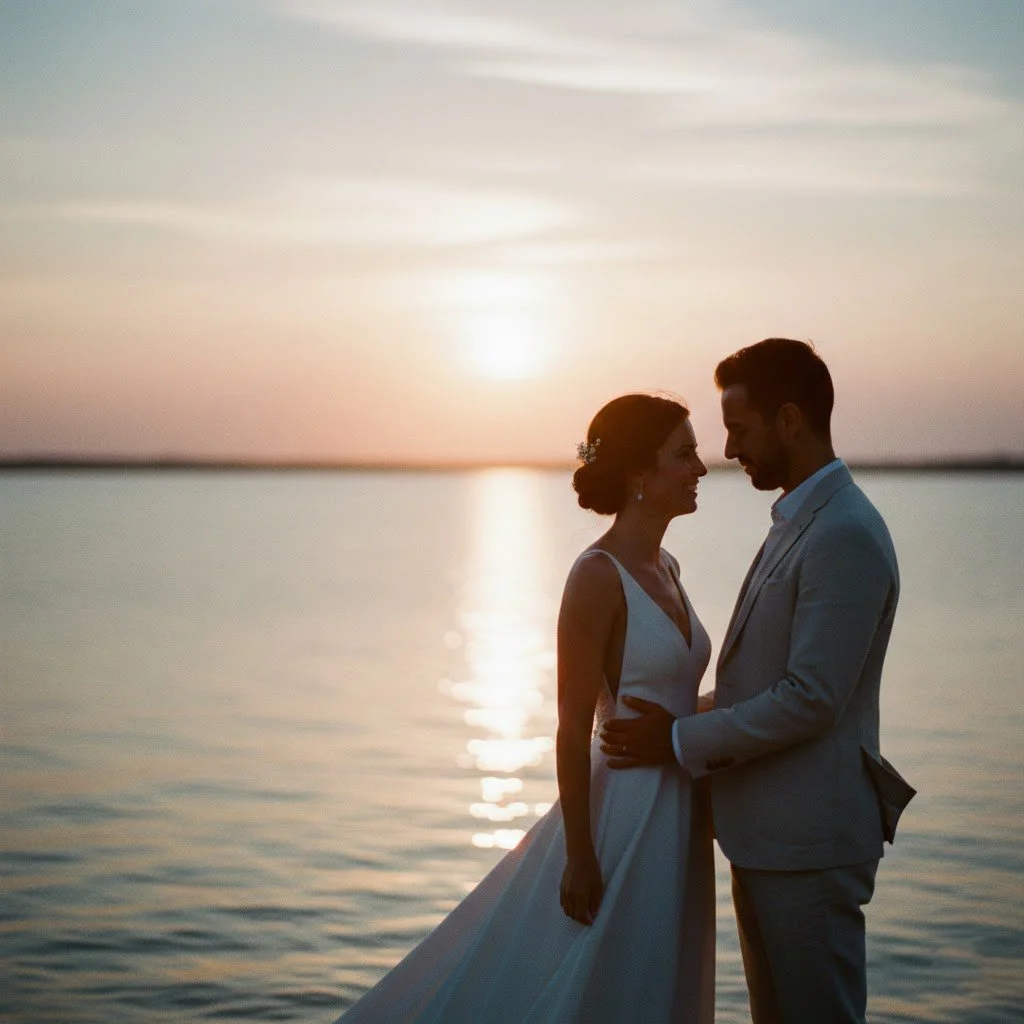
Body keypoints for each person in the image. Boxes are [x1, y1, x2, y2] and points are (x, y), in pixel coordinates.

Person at [337, 394, 716, 1023]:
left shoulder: (669, 566)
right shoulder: (597, 574)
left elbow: (675, 699)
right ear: (638, 475)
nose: (701, 467)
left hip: (678, 805)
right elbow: (570, 729)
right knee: (601, 978)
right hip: (620, 810)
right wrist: (580, 854)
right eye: (684, 453)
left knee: (657, 978)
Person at [601, 339, 916, 1024]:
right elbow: (761, 683)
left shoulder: (844, 534)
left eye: (739, 429)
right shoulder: (798, 523)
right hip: (768, 837)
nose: (728, 448)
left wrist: (680, 738)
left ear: (790, 420)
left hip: (810, 844)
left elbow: (812, 699)